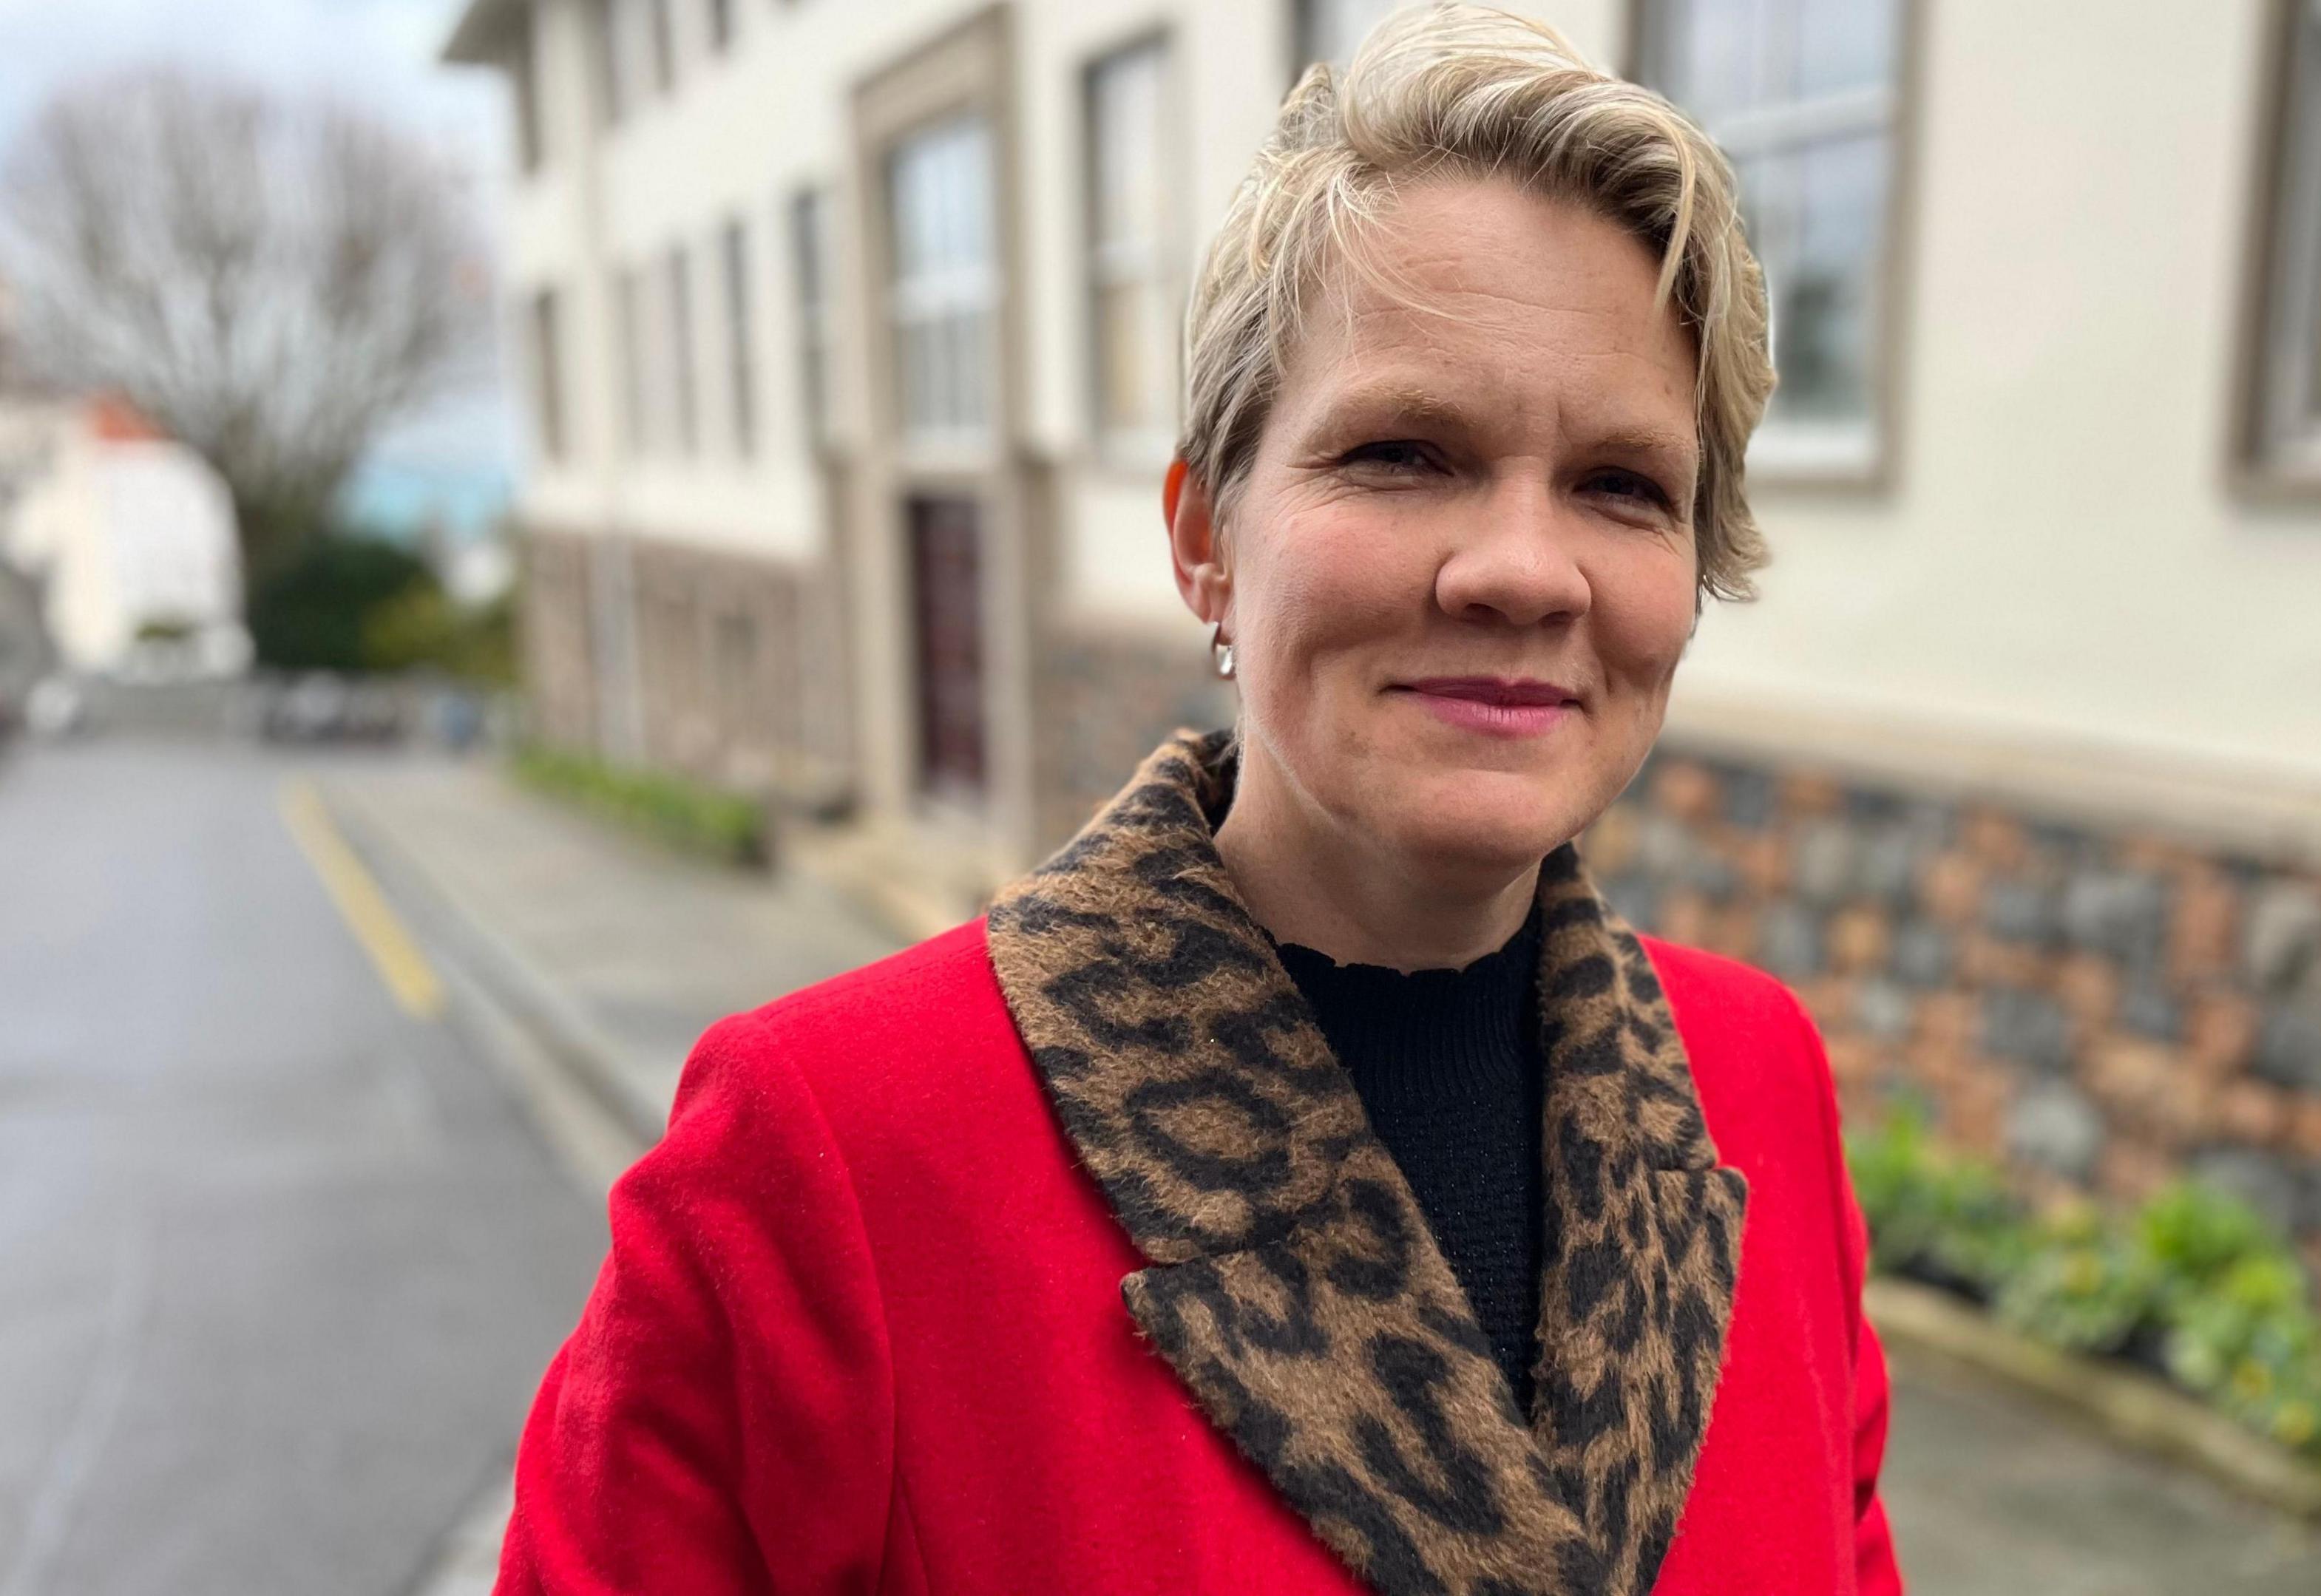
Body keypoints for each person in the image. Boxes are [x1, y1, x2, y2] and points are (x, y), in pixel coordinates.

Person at [495, 7, 1902, 1594]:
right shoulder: (828, 1159)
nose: (1522, 566)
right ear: (1205, 540)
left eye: (1623, 485)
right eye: (1403, 452)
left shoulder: (1758, 1085)